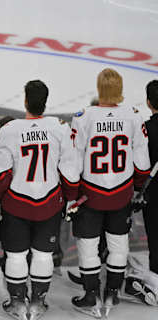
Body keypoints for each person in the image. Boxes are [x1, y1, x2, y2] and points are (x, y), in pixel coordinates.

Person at [0, 80, 80, 320]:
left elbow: (0, 174)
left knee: (16, 255)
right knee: (43, 255)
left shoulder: (10, 130)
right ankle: (38, 302)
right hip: (49, 202)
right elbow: (69, 171)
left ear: (26, 101)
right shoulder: (60, 128)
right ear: (45, 101)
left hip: (17, 203)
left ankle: (18, 303)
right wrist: (70, 198)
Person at [70, 68, 150, 318]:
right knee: (118, 243)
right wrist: (137, 187)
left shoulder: (83, 117)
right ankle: (112, 292)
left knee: (88, 245)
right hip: (121, 193)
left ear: (99, 88)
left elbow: (74, 162)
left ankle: (90, 294)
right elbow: (142, 163)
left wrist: (72, 194)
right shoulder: (134, 117)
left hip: (90, 194)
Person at [124, 79, 158, 306]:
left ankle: (155, 283)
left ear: (148, 101)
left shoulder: (148, 128)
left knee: (156, 238)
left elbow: (142, 164)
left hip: (153, 195)